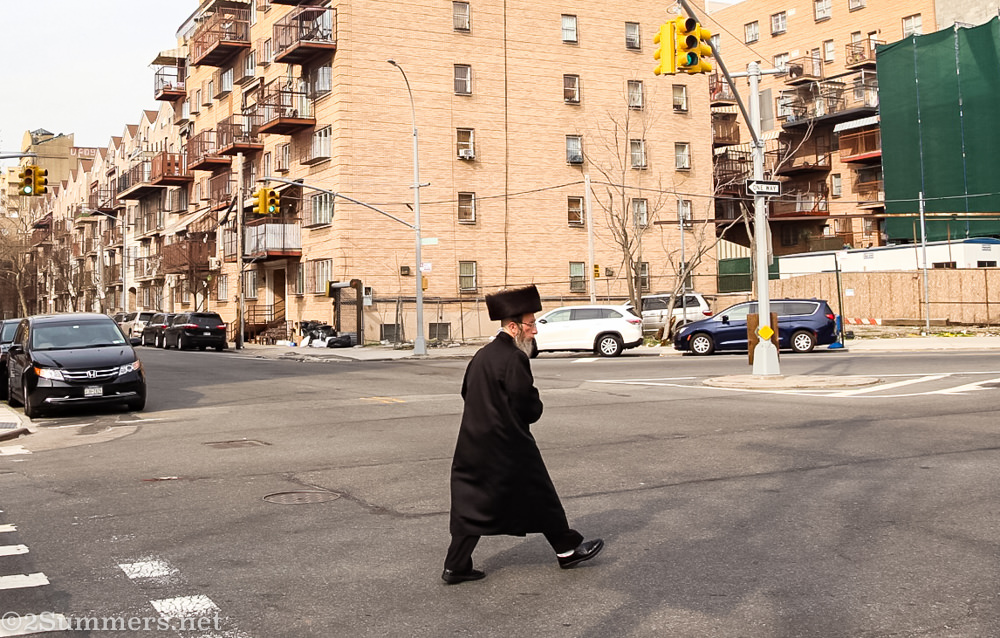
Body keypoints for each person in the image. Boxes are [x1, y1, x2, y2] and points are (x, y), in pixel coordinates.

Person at [442, 285, 604, 585]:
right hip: (508, 444)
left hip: (473, 443)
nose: (534, 332)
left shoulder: (481, 355)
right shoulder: (514, 358)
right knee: (541, 495)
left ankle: (456, 566)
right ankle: (567, 550)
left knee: (471, 505)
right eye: (530, 326)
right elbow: (525, 403)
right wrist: (533, 407)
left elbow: (466, 393)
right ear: (513, 326)